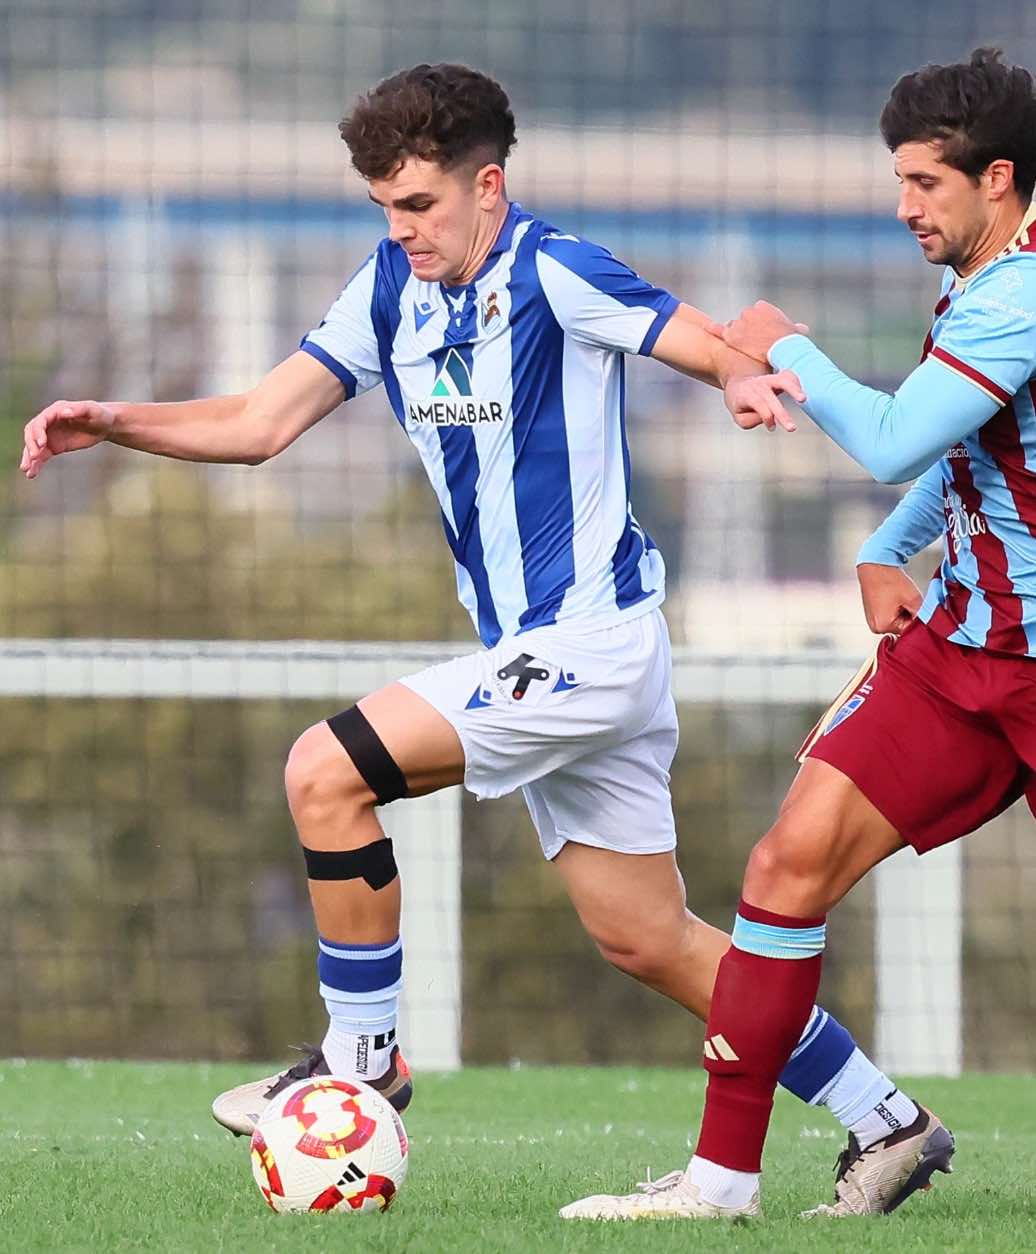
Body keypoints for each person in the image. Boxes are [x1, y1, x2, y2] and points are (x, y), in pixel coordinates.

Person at [21, 63, 941, 1215]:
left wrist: (739, 382)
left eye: (419, 206)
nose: (401, 229)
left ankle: (362, 1063)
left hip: (589, 646)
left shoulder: (553, 267)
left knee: (323, 770)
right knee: (648, 939)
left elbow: (691, 335)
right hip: (557, 660)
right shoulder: (384, 293)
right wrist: (115, 423)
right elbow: (260, 424)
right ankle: (886, 1120)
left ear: (486, 187)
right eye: (385, 209)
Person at [563, 46, 1036, 1221]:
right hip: (960, 655)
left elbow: (888, 437)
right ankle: (722, 1182)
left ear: (1000, 179)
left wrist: (780, 339)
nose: (902, 206)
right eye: (899, 179)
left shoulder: (1023, 294)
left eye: (925, 183)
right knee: (782, 872)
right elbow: (961, 447)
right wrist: (886, 550)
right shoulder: (983, 284)